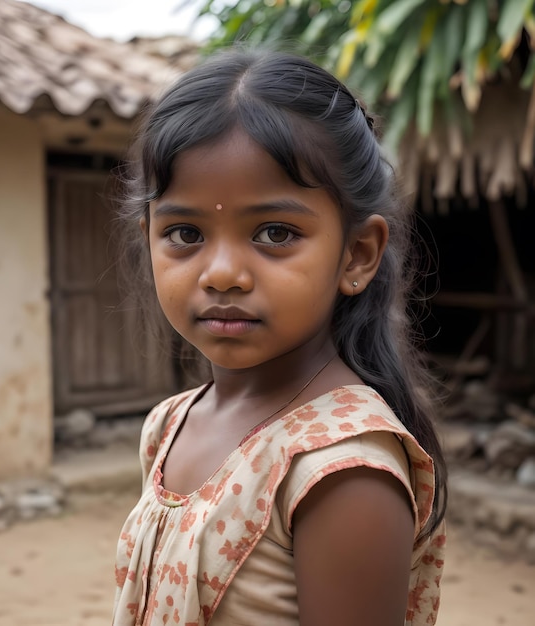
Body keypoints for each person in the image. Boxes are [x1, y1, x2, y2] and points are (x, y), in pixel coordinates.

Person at [111, 47, 447, 626]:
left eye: (274, 232)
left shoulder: (340, 470)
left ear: (356, 254)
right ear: (149, 240)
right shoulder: (168, 425)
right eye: (185, 232)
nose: (221, 273)